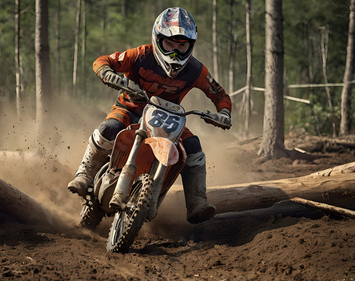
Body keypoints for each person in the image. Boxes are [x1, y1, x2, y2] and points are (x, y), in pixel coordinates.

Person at [67, 7, 232, 224]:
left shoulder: (196, 70)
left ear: (190, 45)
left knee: (193, 146)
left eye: (181, 46)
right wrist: (107, 73)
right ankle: (85, 174)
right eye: (170, 44)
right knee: (109, 129)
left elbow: (219, 94)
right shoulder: (140, 55)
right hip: (130, 109)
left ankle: (196, 201)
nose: (175, 52)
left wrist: (224, 113)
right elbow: (102, 60)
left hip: (168, 117)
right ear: (157, 38)